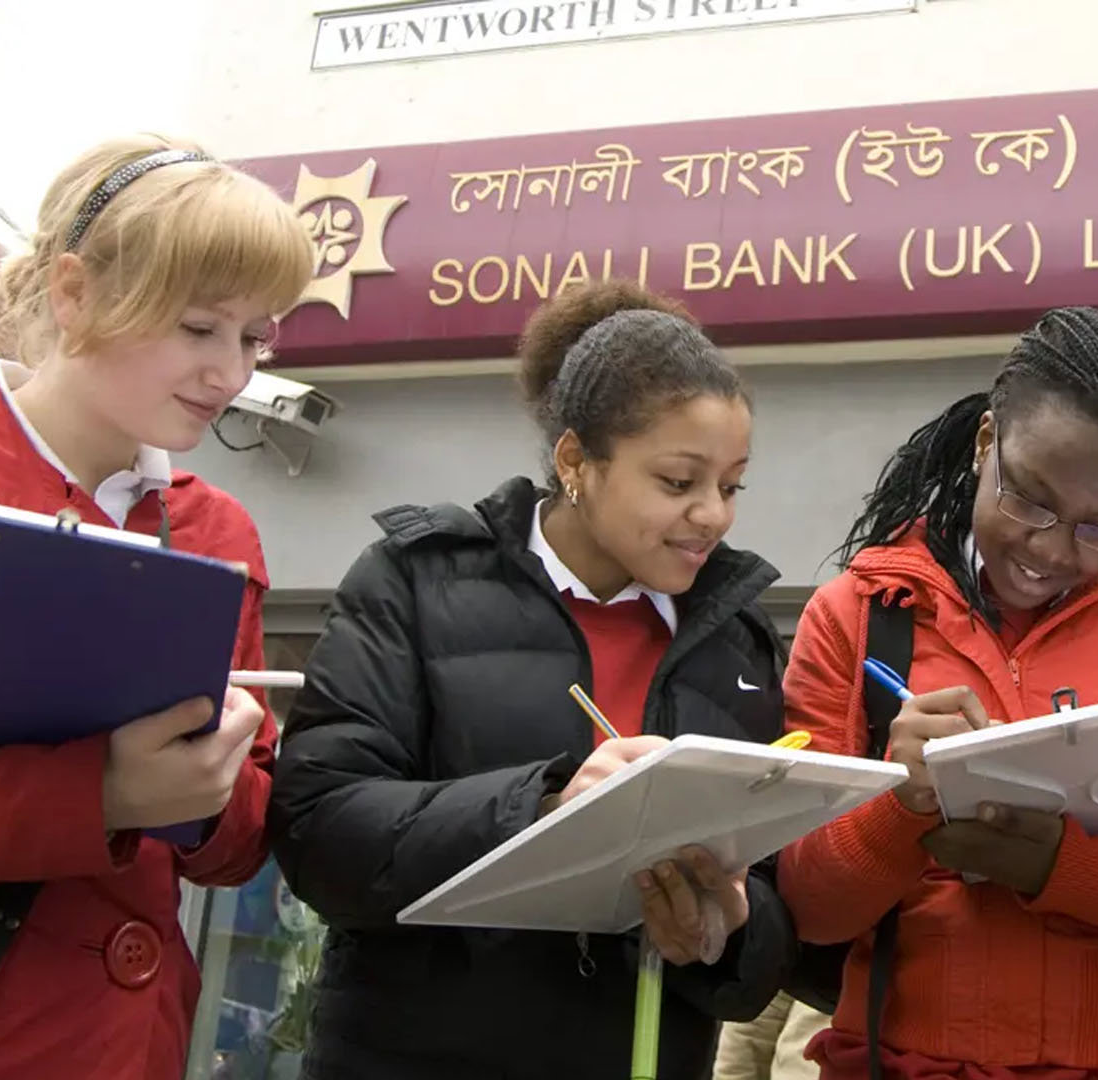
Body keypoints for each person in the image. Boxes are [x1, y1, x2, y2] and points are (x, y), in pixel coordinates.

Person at [0, 135, 313, 1077]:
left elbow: (233, 848)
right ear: (75, 293)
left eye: (256, 337)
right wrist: (100, 792)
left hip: (125, 1043)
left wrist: (219, 784)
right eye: (199, 327)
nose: (232, 374)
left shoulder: (219, 529)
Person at [267, 279, 798, 1080]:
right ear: (578, 461)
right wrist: (543, 810)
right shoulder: (415, 583)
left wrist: (731, 924)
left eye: (730, 487)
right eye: (678, 482)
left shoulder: (738, 640)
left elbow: (766, 932)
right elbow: (319, 829)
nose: (713, 516)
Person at [778, 307, 1098, 1080]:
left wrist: (1068, 869)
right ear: (987, 442)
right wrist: (899, 807)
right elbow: (806, 906)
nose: (1050, 549)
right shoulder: (858, 615)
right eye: (1030, 501)